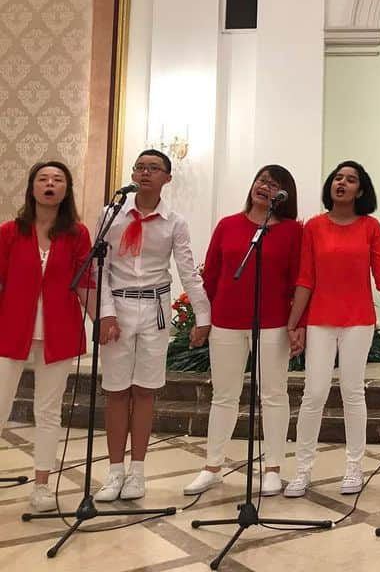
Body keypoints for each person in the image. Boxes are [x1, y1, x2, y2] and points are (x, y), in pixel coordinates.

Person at [283, 160, 380, 497]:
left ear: (360, 190)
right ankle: (302, 470)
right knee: (315, 393)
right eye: (338, 178)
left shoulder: (370, 227)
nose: (342, 183)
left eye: (351, 180)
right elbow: (306, 278)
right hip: (320, 321)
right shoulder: (314, 227)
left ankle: (354, 467)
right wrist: (294, 324)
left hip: (358, 321)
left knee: (353, 392)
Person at [95, 150, 211, 502]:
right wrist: (105, 313)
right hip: (118, 305)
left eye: (153, 168)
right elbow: (99, 269)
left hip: (155, 309)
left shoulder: (174, 222)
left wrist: (203, 316)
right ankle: (114, 471)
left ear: (167, 178)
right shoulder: (110, 215)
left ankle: (138, 472)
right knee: (116, 390)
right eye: (140, 167)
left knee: (145, 390)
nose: (145, 173)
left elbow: (187, 272)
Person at [182, 165, 302, 498]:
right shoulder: (228, 225)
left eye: (273, 184)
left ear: (283, 195)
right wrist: (201, 318)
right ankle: (212, 466)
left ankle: (273, 468)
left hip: (273, 323)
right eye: (261, 180)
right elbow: (211, 276)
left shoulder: (292, 232)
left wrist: (298, 325)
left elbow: (299, 282)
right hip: (226, 321)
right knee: (224, 395)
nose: (264, 187)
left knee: (273, 395)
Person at [0, 161, 93, 512]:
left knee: (49, 411)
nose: (50, 184)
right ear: (32, 187)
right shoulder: (10, 231)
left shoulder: (77, 234)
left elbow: (85, 282)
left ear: (66, 189)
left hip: (59, 332)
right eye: (43, 179)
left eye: (58, 179)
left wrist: (103, 320)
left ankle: (42, 485)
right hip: (10, 330)